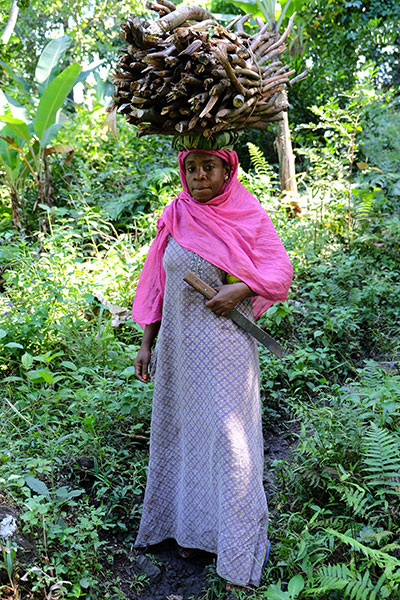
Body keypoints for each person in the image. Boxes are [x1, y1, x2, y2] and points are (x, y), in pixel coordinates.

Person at [132, 137, 293, 595]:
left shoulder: (246, 212)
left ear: (227, 172)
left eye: (209, 168)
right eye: (193, 169)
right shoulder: (175, 214)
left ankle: (236, 544)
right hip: (178, 351)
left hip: (224, 351)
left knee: (227, 439)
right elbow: (155, 283)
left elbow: (278, 270)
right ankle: (188, 533)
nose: (200, 177)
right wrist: (147, 344)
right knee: (183, 434)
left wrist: (239, 289)